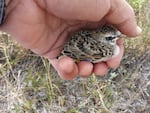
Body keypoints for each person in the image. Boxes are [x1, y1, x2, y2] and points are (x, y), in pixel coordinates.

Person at [0, 0, 141, 80]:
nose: (117, 38)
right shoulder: (107, 50)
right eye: (112, 37)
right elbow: (82, 53)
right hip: (72, 49)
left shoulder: (93, 36)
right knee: (77, 66)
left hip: (72, 42)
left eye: (116, 35)